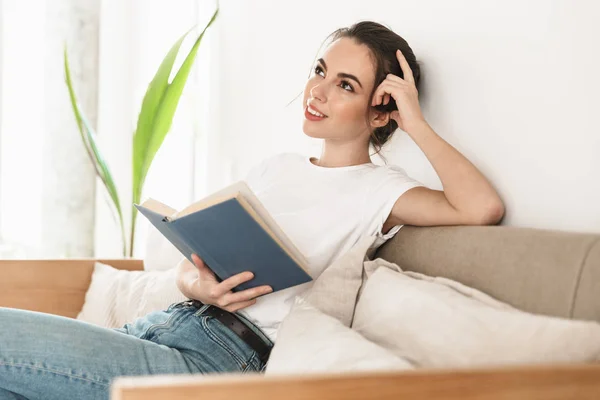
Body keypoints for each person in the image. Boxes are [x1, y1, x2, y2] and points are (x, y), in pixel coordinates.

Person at [0, 21, 504, 400]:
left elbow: (481, 207)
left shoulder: (382, 191)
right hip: (164, 325)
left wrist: (414, 123)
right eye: (320, 71)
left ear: (380, 110)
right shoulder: (276, 168)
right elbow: (192, 247)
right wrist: (192, 283)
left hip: (217, 358)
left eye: (345, 85)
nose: (318, 91)